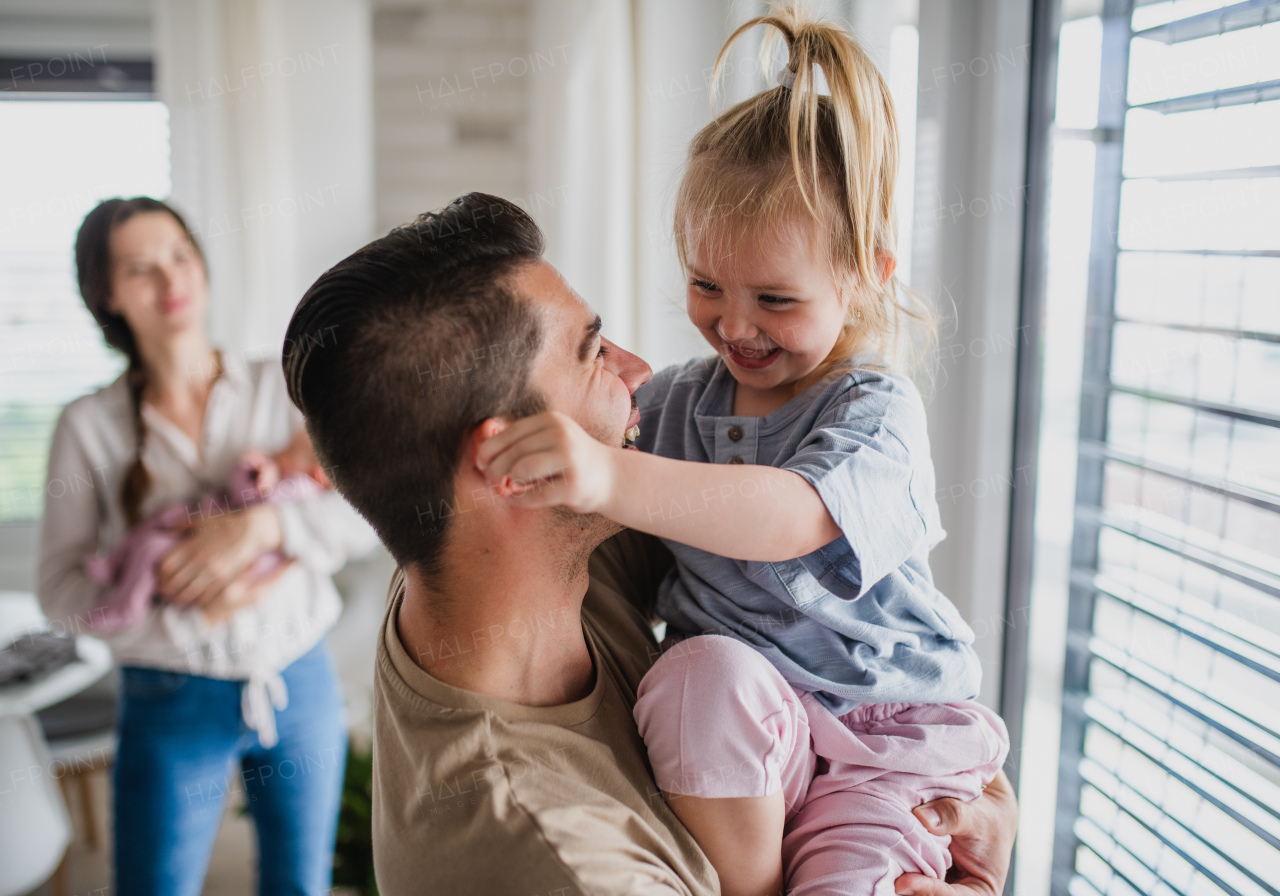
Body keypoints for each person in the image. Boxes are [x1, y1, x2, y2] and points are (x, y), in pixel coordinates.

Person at [282, 191, 1017, 895]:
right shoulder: (564, 865)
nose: (640, 374)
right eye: (594, 353)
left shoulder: (484, 562)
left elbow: (858, 633)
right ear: (510, 465)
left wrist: (975, 801)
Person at [473, 8, 1009, 896]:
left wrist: (611, 473)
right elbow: (588, 438)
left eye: (776, 298)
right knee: (699, 673)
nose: (735, 324)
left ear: (864, 274)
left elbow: (794, 515)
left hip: (883, 741)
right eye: (704, 284)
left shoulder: (875, 410)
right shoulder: (682, 398)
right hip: (751, 740)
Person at [37, 197, 379, 896]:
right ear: (106, 294)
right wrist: (175, 590)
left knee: (300, 885)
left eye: (180, 257)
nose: (171, 282)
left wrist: (263, 529)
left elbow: (366, 513)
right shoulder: (87, 427)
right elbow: (59, 594)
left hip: (298, 683)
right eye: (141, 270)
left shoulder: (280, 385)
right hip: (169, 699)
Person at [84, 426, 333, 631]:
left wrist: (254, 471)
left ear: (318, 474)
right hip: (208, 522)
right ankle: (115, 563)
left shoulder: (301, 489)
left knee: (151, 549)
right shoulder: (288, 478)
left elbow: (252, 500)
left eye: (290, 452)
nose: (278, 454)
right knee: (162, 519)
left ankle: (129, 604)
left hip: (220, 558)